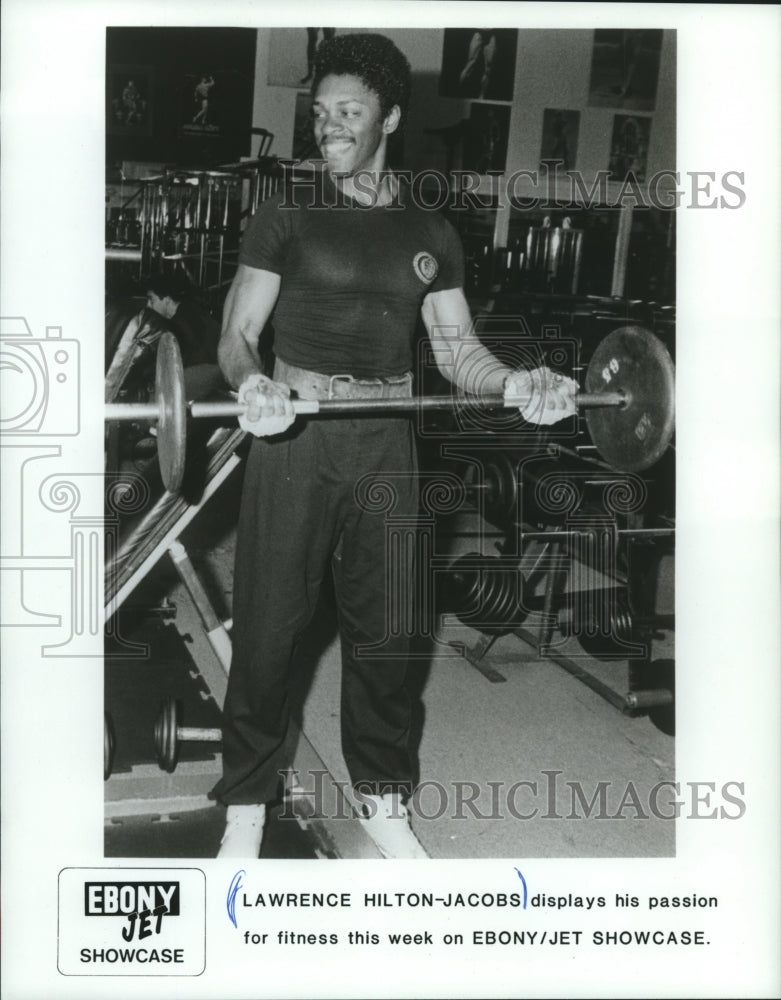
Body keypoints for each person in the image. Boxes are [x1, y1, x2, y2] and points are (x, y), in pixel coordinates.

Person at [212, 33, 577, 859]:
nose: (329, 126)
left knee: (389, 630)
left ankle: (381, 797)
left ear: (391, 118)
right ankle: (244, 800)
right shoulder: (288, 212)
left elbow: (456, 353)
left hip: (386, 440)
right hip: (293, 433)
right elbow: (239, 332)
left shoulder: (430, 230)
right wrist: (252, 384)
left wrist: (515, 384)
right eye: (320, 113)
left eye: (349, 111)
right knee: (270, 628)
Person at [145, 274, 224, 400]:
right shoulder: (191, 311)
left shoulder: (180, 324)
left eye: (151, 299)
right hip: (216, 371)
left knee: (158, 395)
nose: (148, 305)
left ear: (166, 299)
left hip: (207, 372)